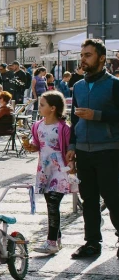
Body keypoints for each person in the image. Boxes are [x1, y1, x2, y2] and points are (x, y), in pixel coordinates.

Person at [67, 39, 119, 259]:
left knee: (113, 197)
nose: (83, 59)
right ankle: (92, 243)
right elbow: (73, 119)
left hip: (109, 150)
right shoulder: (78, 86)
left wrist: (96, 116)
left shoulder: (115, 84)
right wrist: (71, 146)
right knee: (88, 199)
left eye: (88, 55)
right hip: (83, 151)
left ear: (101, 58)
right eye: (82, 54)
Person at [22, 92, 76, 255]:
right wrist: (30, 146)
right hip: (44, 170)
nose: (40, 107)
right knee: (51, 204)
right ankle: (56, 239)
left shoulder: (63, 128)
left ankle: (51, 242)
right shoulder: (37, 125)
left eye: (43, 104)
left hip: (59, 169)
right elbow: (38, 145)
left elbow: (69, 149)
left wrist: (72, 166)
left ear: (53, 108)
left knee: (53, 203)